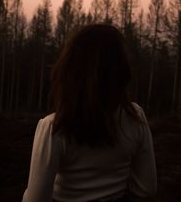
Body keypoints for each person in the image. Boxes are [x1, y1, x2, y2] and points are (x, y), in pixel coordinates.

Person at [22, 24, 157, 202]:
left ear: (71, 71)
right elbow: (146, 190)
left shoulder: (54, 127)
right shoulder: (135, 116)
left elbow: (35, 199)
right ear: (121, 71)